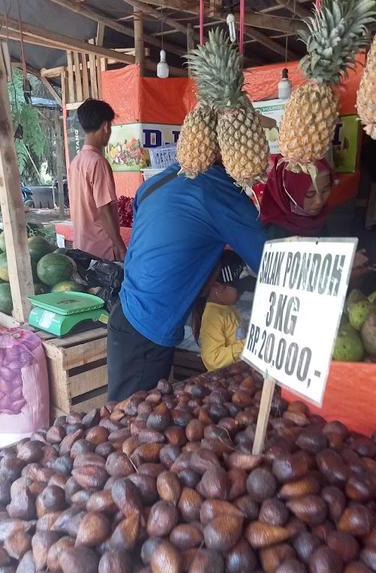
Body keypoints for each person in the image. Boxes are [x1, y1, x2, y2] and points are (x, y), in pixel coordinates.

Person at [107, 162, 266, 402]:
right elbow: (270, 258)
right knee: (131, 425)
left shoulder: (155, 183)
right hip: (146, 331)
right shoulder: (217, 191)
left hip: (126, 314)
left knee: (133, 418)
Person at [68, 99, 126, 261]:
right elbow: (104, 210)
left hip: (82, 246)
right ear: (106, 126)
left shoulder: (76, 161)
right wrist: (121, 247)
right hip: (102, 250)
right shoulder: (98, 162)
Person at [197, 251, 253, 372]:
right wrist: (248, 345)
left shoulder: (228, 307)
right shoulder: (212, 316)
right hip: (224, 378)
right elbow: (212, 359)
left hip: (238, 371)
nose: (242, 293)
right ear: (217, 288)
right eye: (239, 289)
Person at [260, 154, 333, 239]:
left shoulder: (322, 218)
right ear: (289, 193)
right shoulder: (275, 233)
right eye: (310, 194)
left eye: (325, 190)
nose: (319, 201)